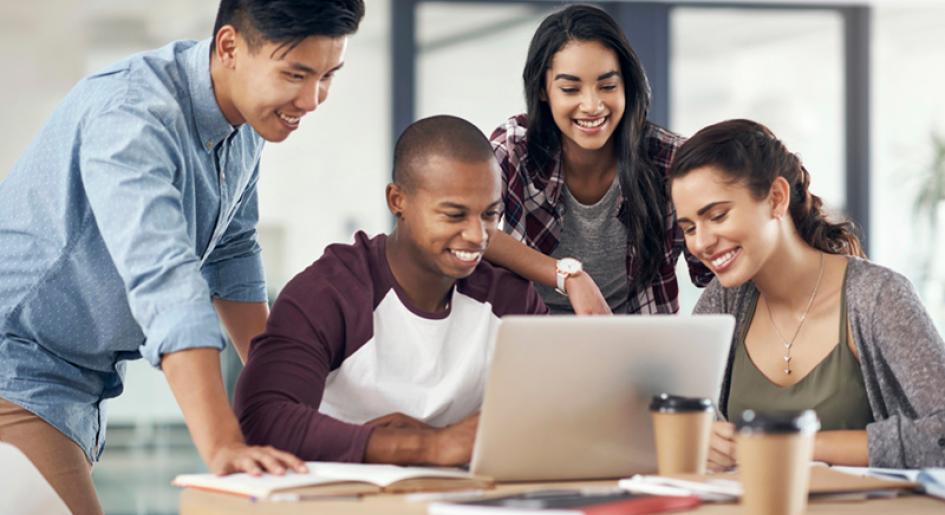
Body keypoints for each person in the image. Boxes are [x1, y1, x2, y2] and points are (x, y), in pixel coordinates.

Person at [0, 1, 365, 512]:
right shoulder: (131, 116)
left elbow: (232, 253)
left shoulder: (243, 122)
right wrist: (223, 445)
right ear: (230, 47)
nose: (312, 99)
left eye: (328, 75)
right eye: (295, 74)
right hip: (15, 367)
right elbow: (165, 279)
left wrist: (283, 391)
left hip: (75, 383)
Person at [234, 115, 548, 465]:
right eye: (454, 215)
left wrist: (437, 443)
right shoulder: (329, 293)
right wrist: (427, 448)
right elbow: (263, 417)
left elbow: (557, 410)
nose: (478, 236)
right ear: (398, 201)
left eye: (490, 214)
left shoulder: (510, 300)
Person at [669, 118, 945, 469]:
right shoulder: (723, 303)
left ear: (776, 198)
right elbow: (685, 416)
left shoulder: (877, 297)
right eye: (690, 228)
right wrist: (702, 436)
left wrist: (787, 443)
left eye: (718, 215)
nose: (701, 243)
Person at [487, 4, 712, 315]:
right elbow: (471, 229)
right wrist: (568, 277)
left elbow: (713, 268)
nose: (592, 105)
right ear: (543, 90)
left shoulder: (669, 159)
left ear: (627, 85)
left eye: (607, 86)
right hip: (533, 334)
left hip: (634, 344)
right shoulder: (514, 147)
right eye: (570, 89)